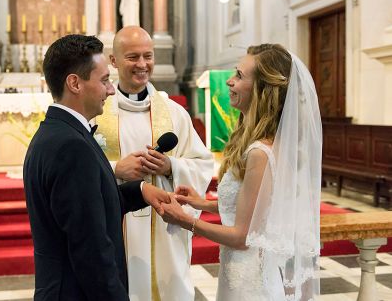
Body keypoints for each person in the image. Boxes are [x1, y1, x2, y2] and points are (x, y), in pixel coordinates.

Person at [161, 44, 322, 301]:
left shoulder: (261, 152)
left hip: (250, 284)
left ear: (262, 89)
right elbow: (254, 209)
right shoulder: (262, 142)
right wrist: (200, 203)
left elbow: (242, 237)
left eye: (239, 75)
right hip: (243, 273)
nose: (229, 81)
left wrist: (183, 219)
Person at [23, 34, 171, 300]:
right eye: (104, 80)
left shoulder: (56, 132)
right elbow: (90, 247)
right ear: (75, 83)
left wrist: (140, 192)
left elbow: (91, 206)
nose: (111, 90)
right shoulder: (71, 147)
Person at [94, 26, 214, 301]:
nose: (142, 64)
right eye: (133, 57)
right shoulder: (98, 112)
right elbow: (79, 169)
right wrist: (115, 169)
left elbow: (203, 164)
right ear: (113, 61)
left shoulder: (173, 113)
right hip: (117, 223)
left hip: (164, 227)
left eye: (148, 56)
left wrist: (170, 167)